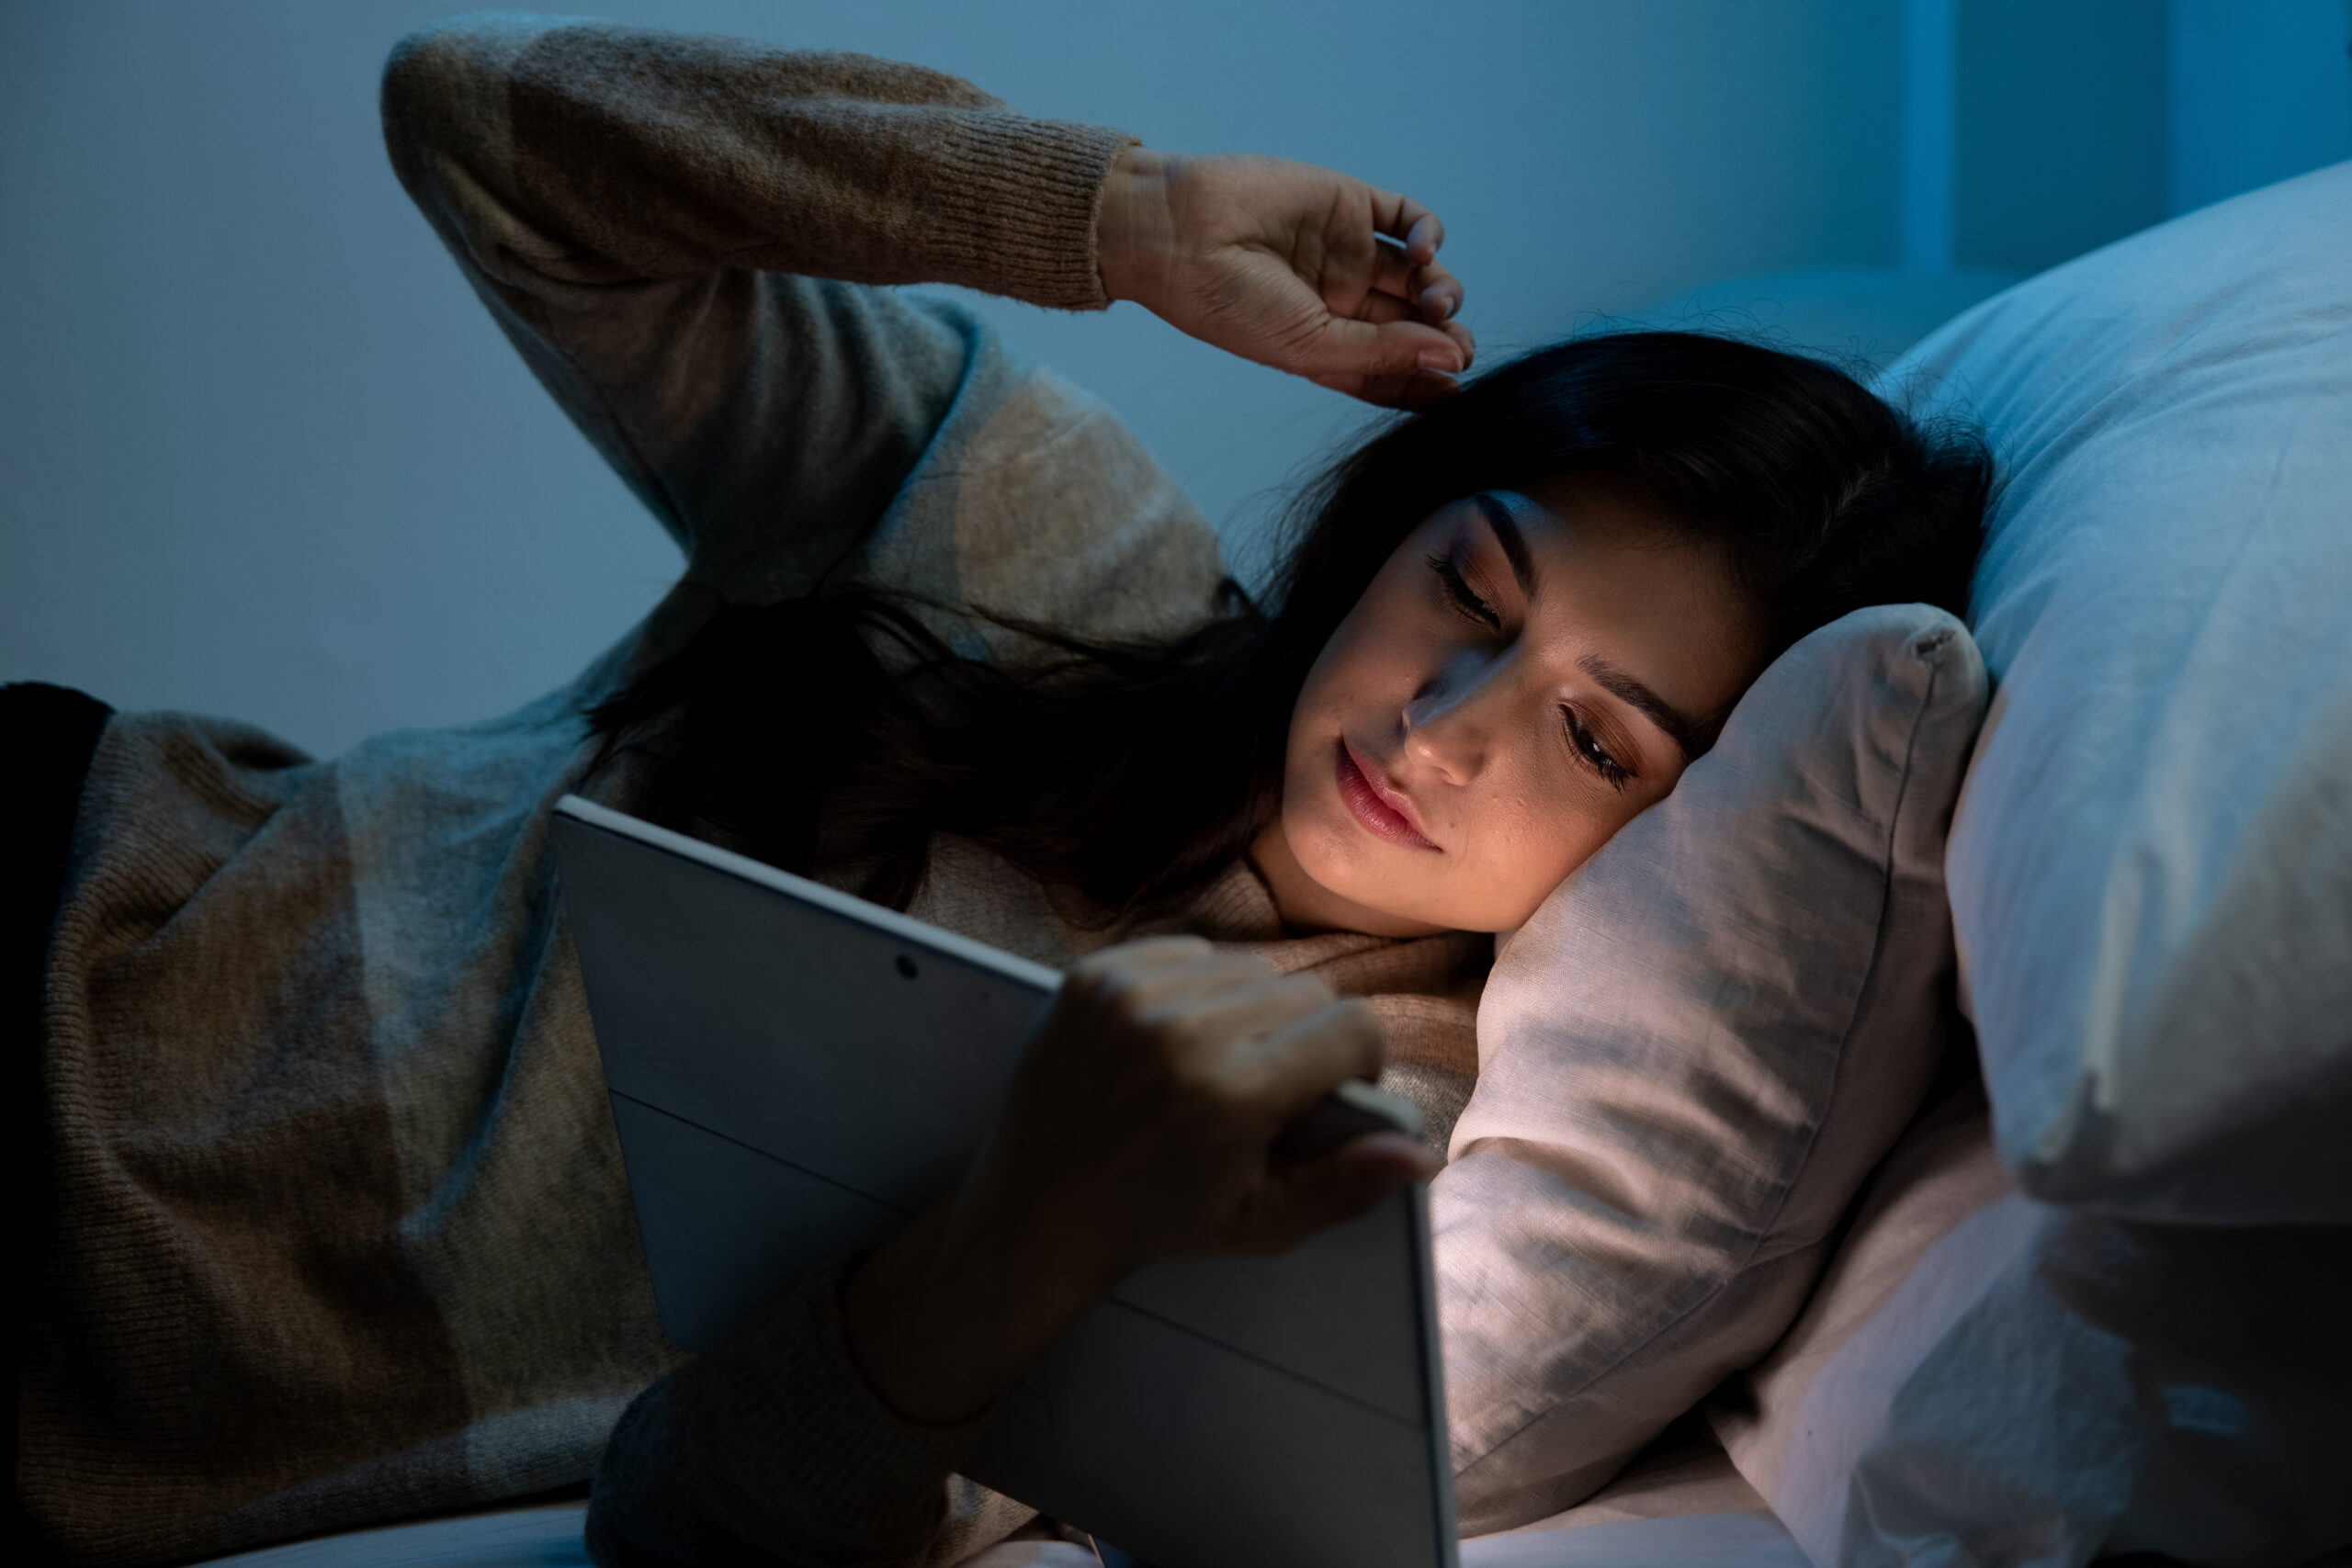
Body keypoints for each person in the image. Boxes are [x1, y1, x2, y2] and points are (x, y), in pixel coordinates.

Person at [11, 16, 1990, 1568]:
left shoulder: (1352, 1144)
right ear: (1392, 524)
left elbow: (696, 1507)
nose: (1446, 726)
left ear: (1682, 826)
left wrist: (1024, 1222)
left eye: (1597, 742)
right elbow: (484, 131)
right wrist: (1111, 219)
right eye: (1469, 589)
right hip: (88, 859)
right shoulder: (1053, 542)